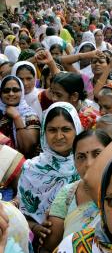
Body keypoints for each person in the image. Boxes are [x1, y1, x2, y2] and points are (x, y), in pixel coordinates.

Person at [17, 102, 83, 245]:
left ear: (77, 130)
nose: (59, 136)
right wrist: (35, 227)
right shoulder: (31, 168)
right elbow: (20, 216)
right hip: (40, 244)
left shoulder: (86, 166)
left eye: (66, 129)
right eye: (52, 130)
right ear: (44, 132)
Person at [40, 130, 112, 253]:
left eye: (97, 154)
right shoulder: (68, 193)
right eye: (81, 157)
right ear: (74, 161)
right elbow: (48, 249)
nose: (89, 163)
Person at [0, 75, 40, 157]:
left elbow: (27, 149)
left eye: (15, 90)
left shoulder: (30, 116)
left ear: (22, 92)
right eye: (6, 91)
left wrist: (17, 117)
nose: (11, 94)